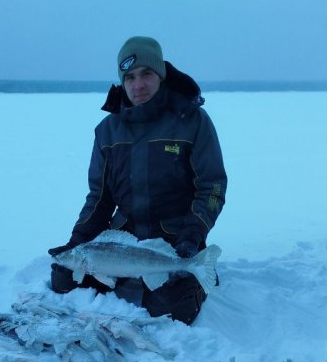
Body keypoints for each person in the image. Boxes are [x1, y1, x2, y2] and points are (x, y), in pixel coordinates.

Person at [49, 36, 227, 325]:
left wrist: (192, 236)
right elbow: (100, 197)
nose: (138, 85)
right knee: (63, 280)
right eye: (129, 77)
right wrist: (78, 240)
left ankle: (193, 271)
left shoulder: (193, 121)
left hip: (176, 238)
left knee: (171, 311)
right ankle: (126, 276)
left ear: (161, 75)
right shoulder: (107, 131)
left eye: (146, 74)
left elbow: (212, 186)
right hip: (127, 236)